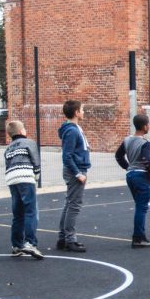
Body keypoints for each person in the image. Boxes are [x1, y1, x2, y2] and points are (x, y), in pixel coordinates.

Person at [4, 119, 44, 260]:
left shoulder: (8, 148)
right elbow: (36, 161)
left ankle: (16, 245)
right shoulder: (29, 143)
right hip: (25, 177)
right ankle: (30, 243)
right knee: (30, 211)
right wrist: (36, 177)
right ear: (22, 131)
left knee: (18, 213)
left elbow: (7, 164)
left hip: (12, 179)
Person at [116, 113, 150, 248]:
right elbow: (146, 160)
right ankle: (138, 238)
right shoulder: (145, 143)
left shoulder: (127, 140)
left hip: (131, 175)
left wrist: (128, 167)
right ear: (145, 126)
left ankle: (141, 236)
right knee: (141, 207)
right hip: (141, 175)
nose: (149, 126)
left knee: (139, 205)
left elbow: (118, 156)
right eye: (149, 124)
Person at [57, 100, 90, 253]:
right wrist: (78, 173)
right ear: (76, 112)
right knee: (74, 205)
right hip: (76, 171)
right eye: (82, 110)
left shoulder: (74, 129)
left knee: (69, 203)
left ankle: (63, 237)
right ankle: (70, 239)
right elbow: (67, 156)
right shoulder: (72, 131)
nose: (83, 112)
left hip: (78, 168)